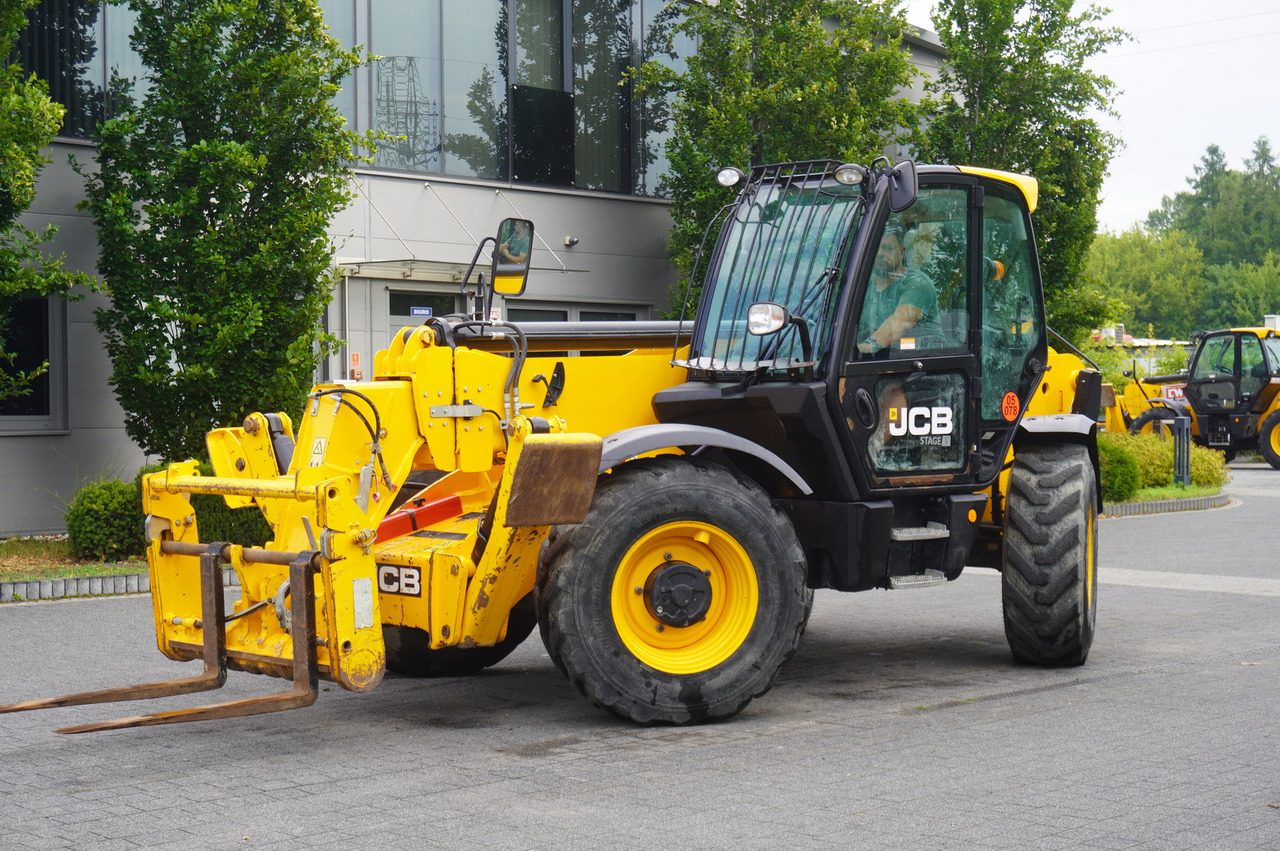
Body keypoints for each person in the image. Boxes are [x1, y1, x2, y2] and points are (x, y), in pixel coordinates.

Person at [856, 224, 943, 356]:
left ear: (902, 252)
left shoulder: (916, 283)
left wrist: (866, 346)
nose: (879, 254)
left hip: (924, 363)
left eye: (887, 248)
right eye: (875, 248)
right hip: (889, 359)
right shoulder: (864, 285)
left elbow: (900, 323)